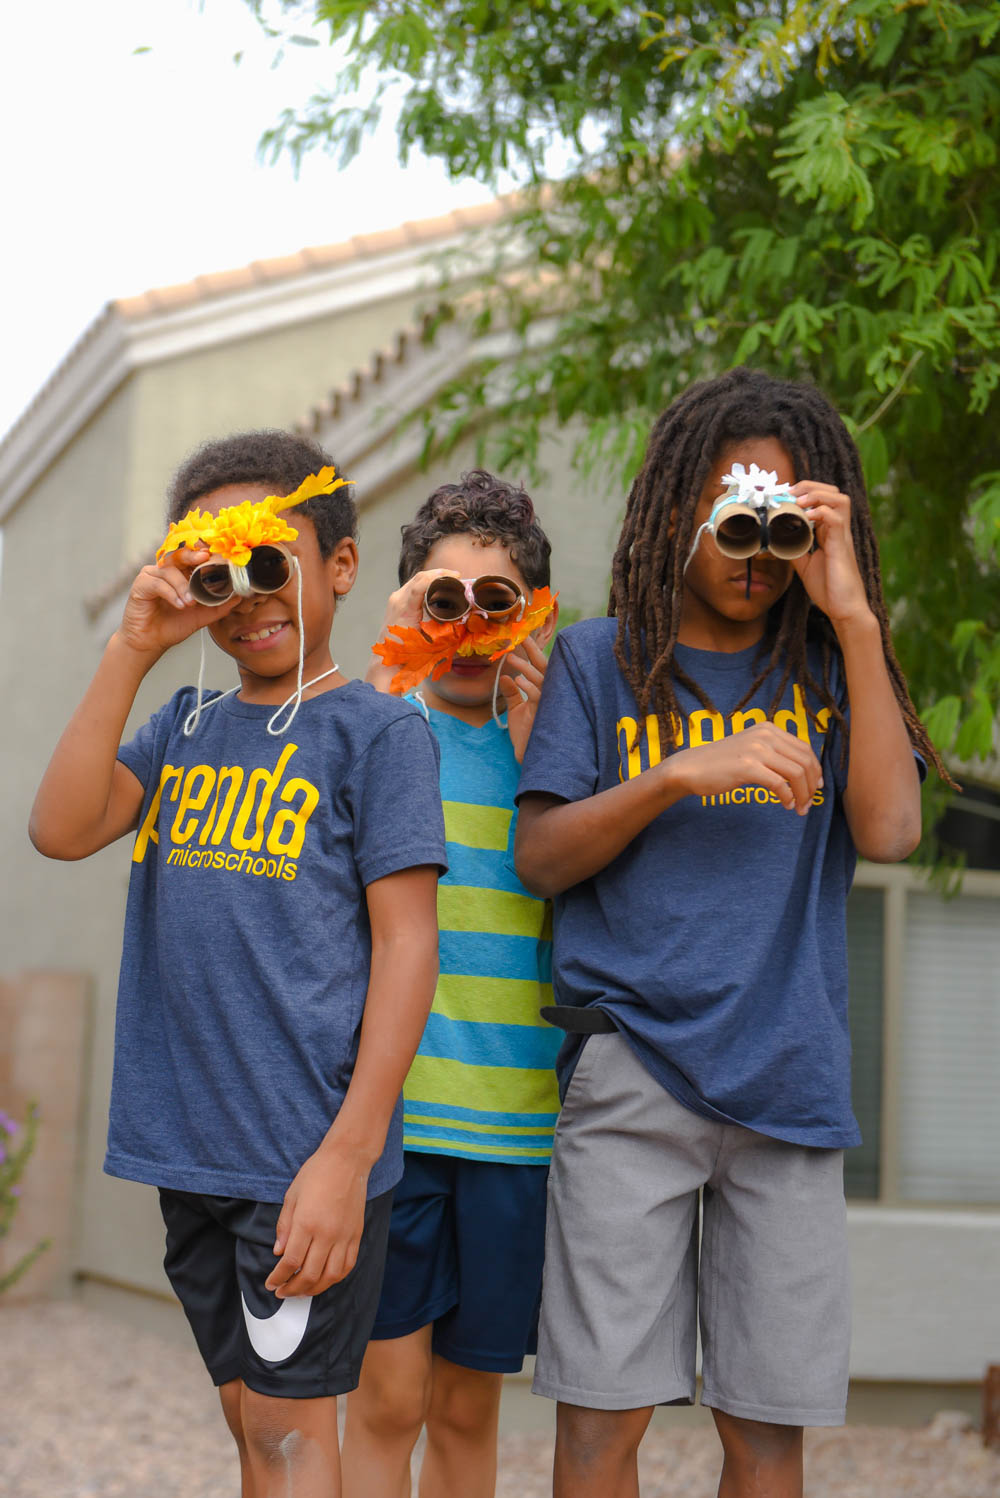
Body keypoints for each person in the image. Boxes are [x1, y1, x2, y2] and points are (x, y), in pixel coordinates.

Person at [512, 368, 950, 1498]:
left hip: (789, 1083)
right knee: (602, 1420)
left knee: (768, 1433)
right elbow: (542, 857)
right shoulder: (597, 661)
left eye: (781, 523)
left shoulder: (828, 669)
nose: (757, 552)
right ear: (674, 514)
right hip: (633, 1078)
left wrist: (850, 609)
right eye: (733, 515)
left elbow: (892, 831)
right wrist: (674, 774)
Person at [29, 430, 447, 1498]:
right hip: (193, 1155)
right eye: (221, 571)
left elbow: (407, 946)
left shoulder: (376, 736)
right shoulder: (183, 725)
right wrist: (135, 647)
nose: (250, 595)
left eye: (275, 562)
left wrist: (348, 1159)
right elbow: (61, 828)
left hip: (299, 1162)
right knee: (253, 1426)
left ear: (340, 567)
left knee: (288, 1438)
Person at [341, 471, 561, 1498]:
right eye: (443, 596)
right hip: (396, 1126)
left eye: (496, 599)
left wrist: (537, 735)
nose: (469, 622)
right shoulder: (383, 733)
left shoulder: (561, 754)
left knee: (470, 1408)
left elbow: (577, 887)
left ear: (534, 614)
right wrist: (390, 668)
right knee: (386, 1398)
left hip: (517, 1129)